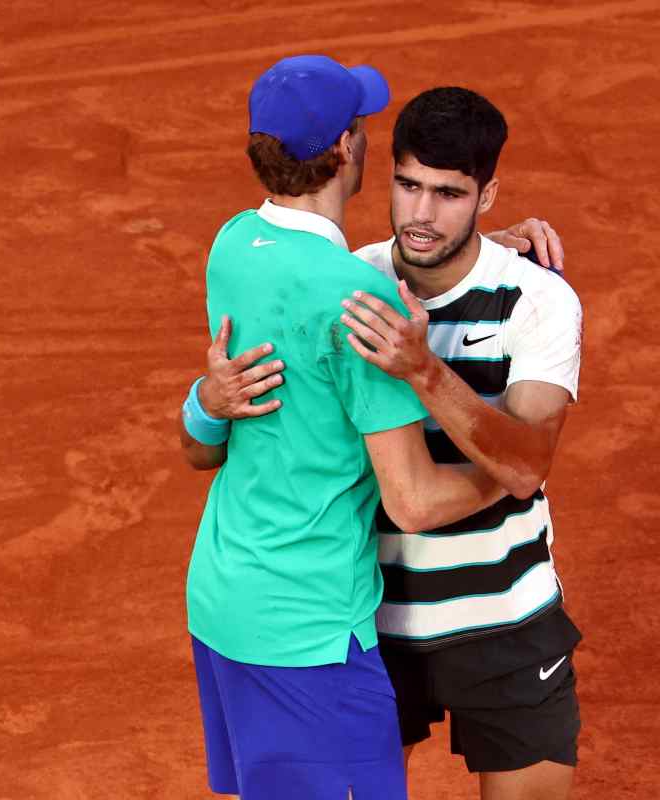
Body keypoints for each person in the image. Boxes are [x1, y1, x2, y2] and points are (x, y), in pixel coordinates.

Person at [188, 88, 583, 800]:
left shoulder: (538, 298)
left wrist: (426, 371)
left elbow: (531, 449)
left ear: (487, 194)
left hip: (503, 618)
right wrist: (208, 399)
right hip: (375, 623)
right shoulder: (351, 282)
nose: (422, 215)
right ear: (378, 171)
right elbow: (506, 473)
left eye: (450, 194)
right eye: (408, 186)